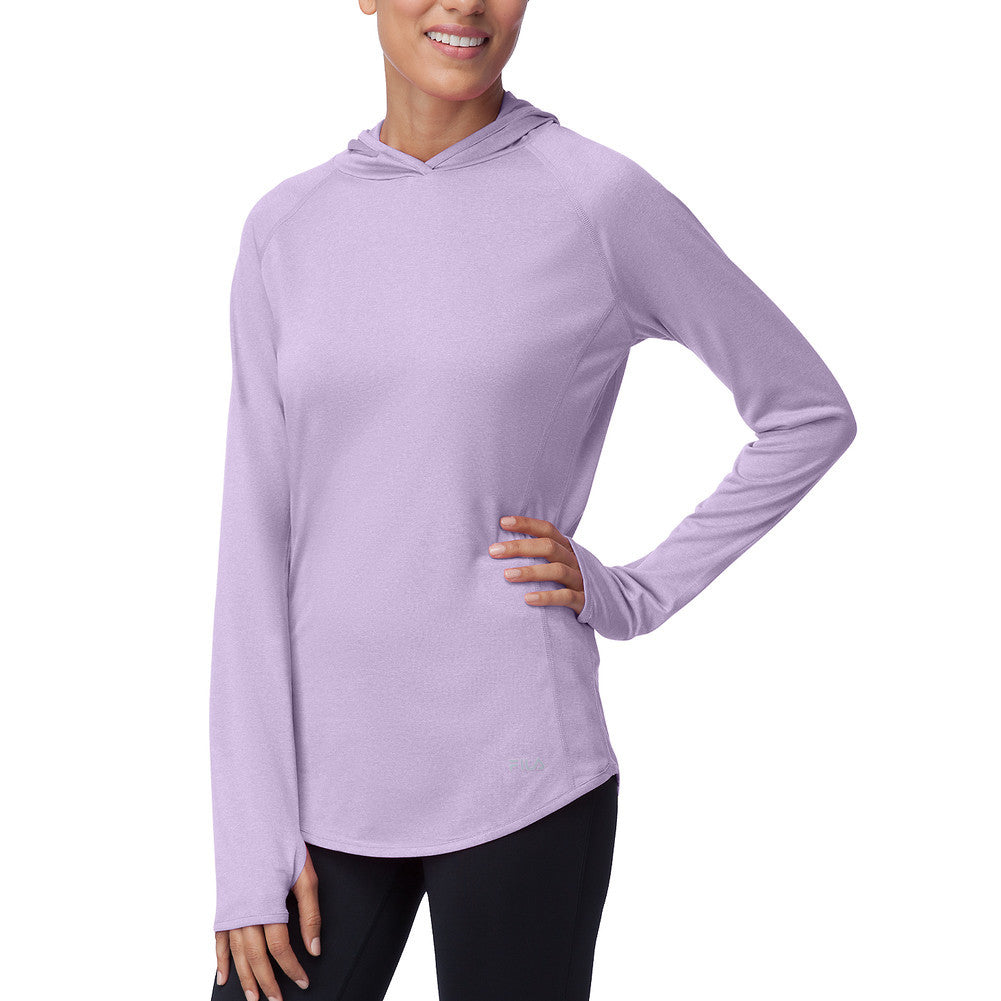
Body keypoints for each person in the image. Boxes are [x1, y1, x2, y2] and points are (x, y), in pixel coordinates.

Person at [208, 2, 857, 999]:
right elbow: (252, 545)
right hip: (323, 786)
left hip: (521, 772)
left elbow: (806, 412)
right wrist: (248, 842)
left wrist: (635, 590)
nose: (464, 4)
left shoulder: (596, 199)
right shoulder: (285, 229)